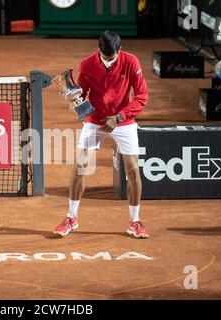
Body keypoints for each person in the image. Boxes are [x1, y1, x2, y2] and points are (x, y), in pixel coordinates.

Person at [53, 31, 149, 239]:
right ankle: (71, 217)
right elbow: (82, 94)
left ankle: (135, 221)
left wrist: (120, 117)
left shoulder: (131, 62)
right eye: (105, 57)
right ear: (99, 50)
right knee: (80, 166)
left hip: (123, 120)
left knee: (132, 169)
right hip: (95, 120)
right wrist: (74, 103)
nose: (108, 60)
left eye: (112, 57)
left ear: (119, 51)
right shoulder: (87, 65)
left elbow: (141, 96)